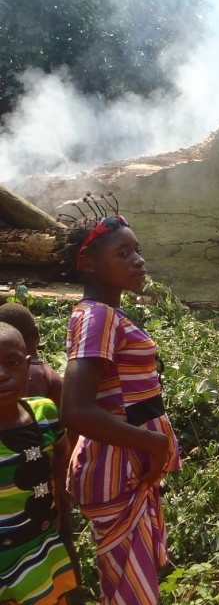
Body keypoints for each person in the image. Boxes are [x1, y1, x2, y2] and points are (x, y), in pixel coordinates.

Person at [61, 211, 181, 604]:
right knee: (127, 589)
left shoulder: (108, 314)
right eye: (124, 252)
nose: (138, 260)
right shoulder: (96, 318)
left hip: (129, 467)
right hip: (117, 467)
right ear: (88, 264)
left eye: (138, 250)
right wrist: (154, 446)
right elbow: (76, 410)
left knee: (131, 581)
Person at [0, 302, 83, 597]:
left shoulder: (44, 414)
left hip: (42, 547)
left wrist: (59, 495)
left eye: (12, 363)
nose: (2, 374)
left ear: (27, 362)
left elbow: (62, 449)